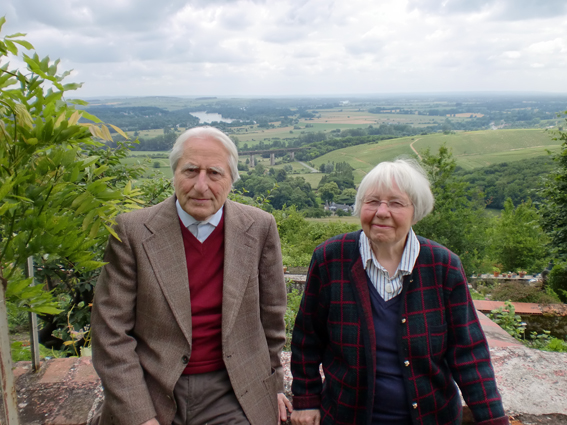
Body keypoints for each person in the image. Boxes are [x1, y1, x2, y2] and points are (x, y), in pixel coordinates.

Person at [91, 126, 292, 425]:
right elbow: (110, 333)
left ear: (231, 180)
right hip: (155, 387)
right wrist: (140, 417)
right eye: (190, 171)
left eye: (214, 173)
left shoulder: (259, 227)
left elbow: (271, 317)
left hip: (235, 389)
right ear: (173, 173)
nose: (201, 186)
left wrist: (273, 384)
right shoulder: (132, 232)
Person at [290, 159, 509, 425]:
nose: (382, 212)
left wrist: (492, 419)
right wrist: (305, 400)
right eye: (372, 202)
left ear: (415, 211)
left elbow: (469, 353)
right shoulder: (330, 258)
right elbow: (307, 339)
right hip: (345, 416)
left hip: (432, 418)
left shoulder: (443, 266)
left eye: (395, 203)